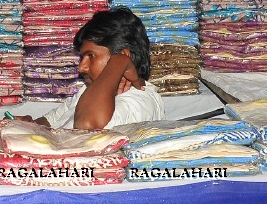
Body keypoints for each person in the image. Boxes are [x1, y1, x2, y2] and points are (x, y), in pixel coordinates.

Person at [20, 7, 166, 130]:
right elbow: (52, 120)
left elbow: (86, 126)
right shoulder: (88, 90)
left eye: (91, 56)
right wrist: (30, 125)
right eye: (82, 58)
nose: (81, 68)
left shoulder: (140, 101)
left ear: (124, 56)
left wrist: (118, 64)